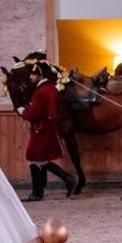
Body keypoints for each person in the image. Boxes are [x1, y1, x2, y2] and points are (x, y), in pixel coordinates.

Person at [15, 62, 76, 202]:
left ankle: (38, 192)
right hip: (48, 128)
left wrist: (21, 110)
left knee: (33, 157)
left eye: (33, 74)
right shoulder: (51, 88)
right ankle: (64, 181)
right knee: (40, 160)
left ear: (40, 75)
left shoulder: (41, 91)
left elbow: (33, 113)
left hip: (40, 129)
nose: (31, 77)